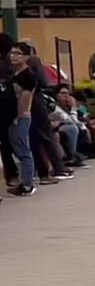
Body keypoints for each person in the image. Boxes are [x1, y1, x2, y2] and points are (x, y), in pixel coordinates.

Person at [7, 42, 37, 196]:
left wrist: (18, 117)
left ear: (26, 56)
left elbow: (25, 99)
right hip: (13, 117)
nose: (13, 56)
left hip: (21, 118)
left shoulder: (27, 76)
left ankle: (27, 184)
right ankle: (24, 179)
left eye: (17, 53)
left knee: (23, 150)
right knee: (18, 149)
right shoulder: (15, 74)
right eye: (12, 53)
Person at [0, 32, 19, 191]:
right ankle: (13, 174)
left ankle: (12, 174)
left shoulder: (6, 64)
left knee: (6, 143)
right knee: (9, 142)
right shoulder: (11, 65)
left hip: (6, 108)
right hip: (12, 107)